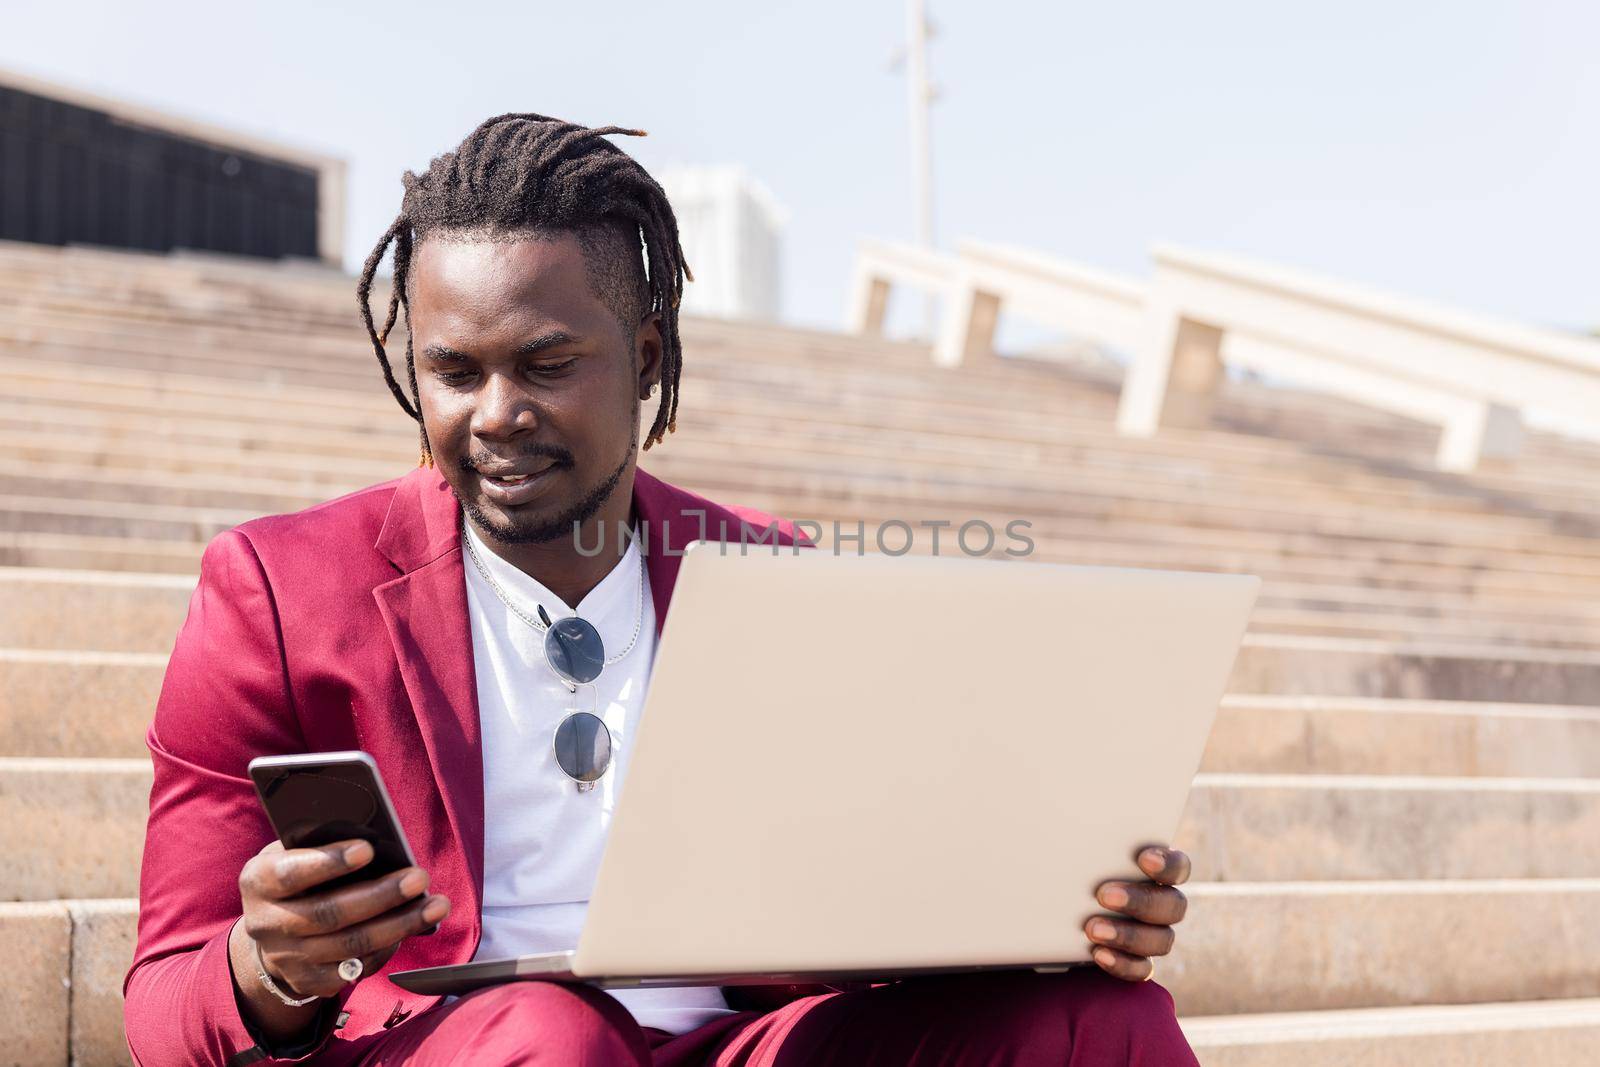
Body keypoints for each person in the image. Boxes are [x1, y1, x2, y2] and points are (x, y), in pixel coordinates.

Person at [125, 114, 1200, 1066]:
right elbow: (163, 1001)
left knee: (1111, 1023)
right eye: (455, 371)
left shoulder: (773, 578)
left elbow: (883, 903)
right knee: (555, 1032)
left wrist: (1066, 915)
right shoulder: (273, 589)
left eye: (546, 365)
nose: (495, 413)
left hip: (736, 1040)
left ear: (645, 356)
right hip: (463, 1046)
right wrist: (267, 966)